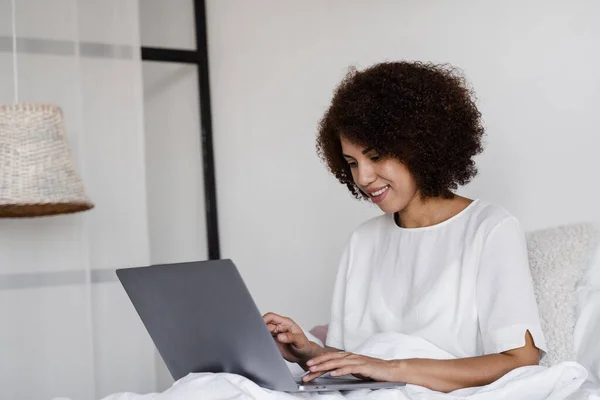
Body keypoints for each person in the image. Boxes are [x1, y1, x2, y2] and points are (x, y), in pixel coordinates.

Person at [263, 61, 546, 393]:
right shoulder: (363, 240)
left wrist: (394, 369)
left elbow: (520, 360)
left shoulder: (489, 228)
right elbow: (357, 364)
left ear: (421, 146)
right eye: (352, 163)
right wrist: (311, 353)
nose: (363, 178)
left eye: (376, 156)